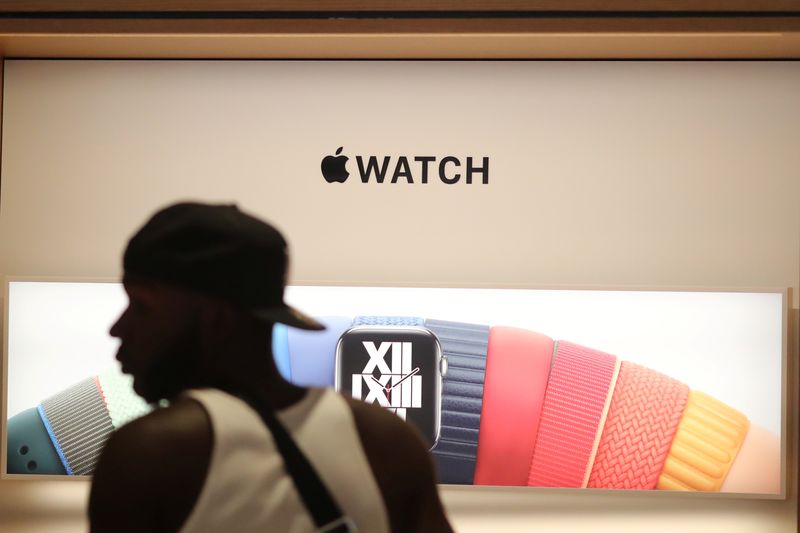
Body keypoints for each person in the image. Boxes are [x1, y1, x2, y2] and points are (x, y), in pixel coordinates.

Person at [88, 202, 454, 533]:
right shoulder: (386, 440)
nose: (118, 328)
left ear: (215, 321)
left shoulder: (150, 453)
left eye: (141, 307)